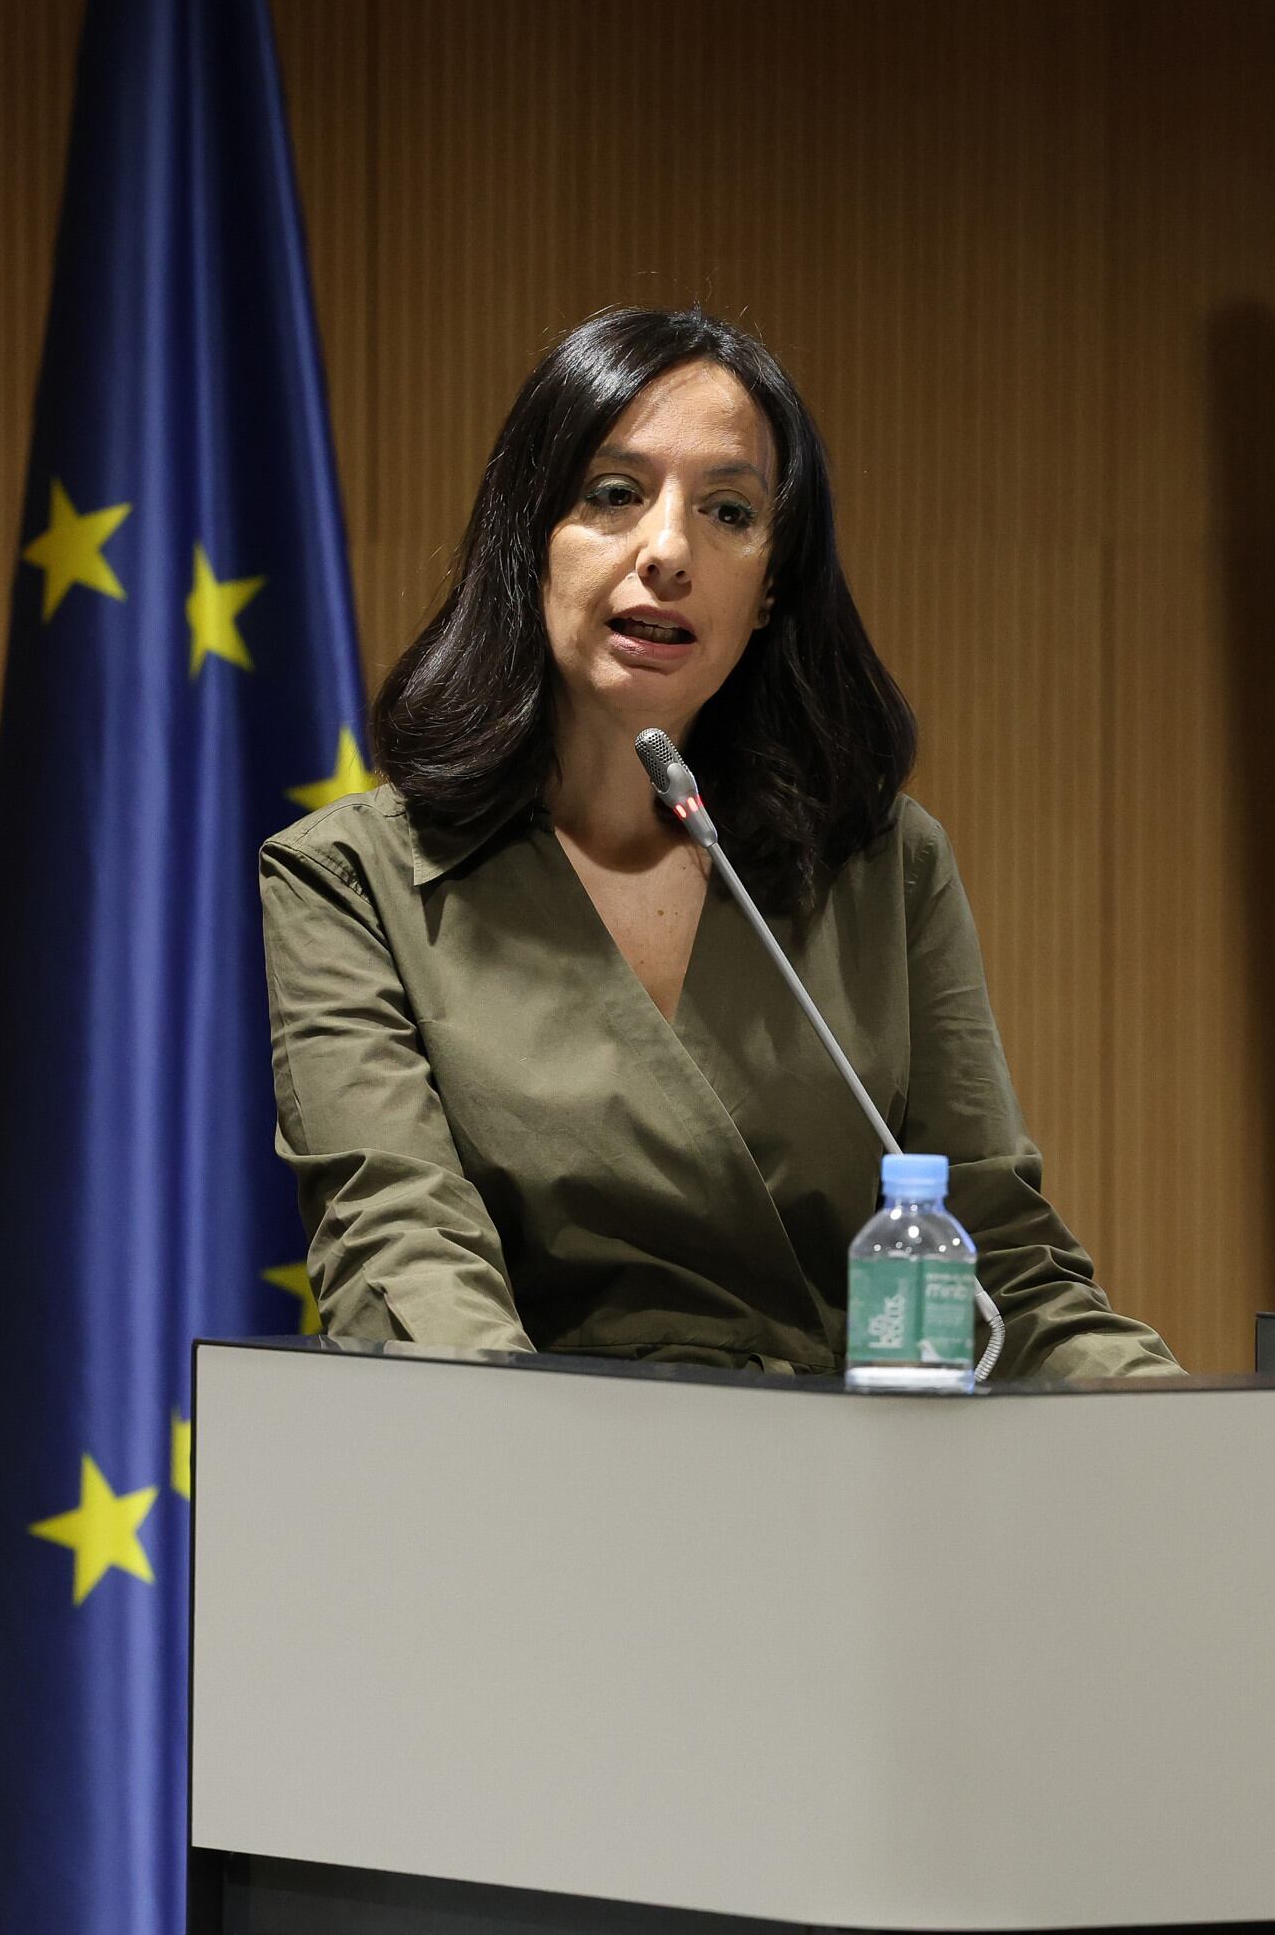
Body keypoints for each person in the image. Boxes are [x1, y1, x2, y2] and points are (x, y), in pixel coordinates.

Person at [259, 307, 1178, 1380]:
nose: (667, 552)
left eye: (729, 511)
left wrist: (1209, 1434)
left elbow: (1001, 1266)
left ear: (771, 583)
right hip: (527, 1449)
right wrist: (544, 1462)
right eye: (613, 494)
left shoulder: (882, 865)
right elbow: (400, 1248)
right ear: (528, 537)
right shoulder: (351, 879)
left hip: (847, 1462)